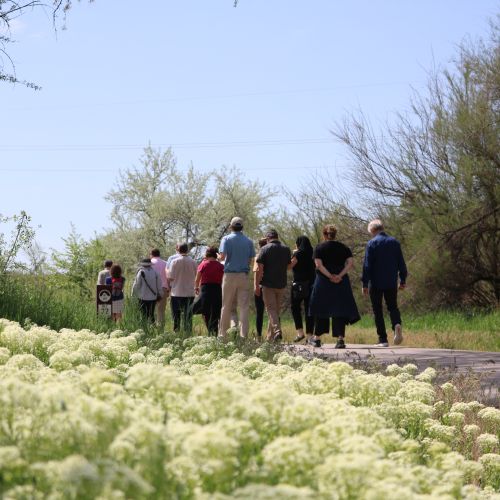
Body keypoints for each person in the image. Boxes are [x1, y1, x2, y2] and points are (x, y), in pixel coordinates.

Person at [308, 225, 360, 348]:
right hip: (341, 282)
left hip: (323, 281)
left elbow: (318, 265)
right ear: (335, 234)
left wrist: (330, 276)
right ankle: (340, 340)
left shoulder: (319, 248)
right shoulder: (344, 248)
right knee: (339, 309)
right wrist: (339, 275)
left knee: (322, 308)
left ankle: (317, 339)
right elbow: (350, 263)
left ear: (325, 235)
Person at [362, 219, 407, 347]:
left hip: (375, 282)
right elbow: (401, 263)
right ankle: (396, 324)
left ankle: (383, 339)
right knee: (393, 306)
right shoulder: (394, 242)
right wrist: (402, 280)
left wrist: (365, 283)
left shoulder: (371, 243)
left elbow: (367, 265)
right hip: (391, 281)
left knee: (377, 310)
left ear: (372, 230)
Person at [218, 217, 256, 338]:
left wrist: (218, 256)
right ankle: (243, 336)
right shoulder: (249, 241)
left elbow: (222, 257)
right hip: (243, 275)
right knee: (244, 307)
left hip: (229, 275)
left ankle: (223, 335)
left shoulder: (226, 239)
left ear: (231, 226)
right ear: (242, 227)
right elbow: (251, 260)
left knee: (226, 305)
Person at [254, 229, 292, 342]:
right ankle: (270, 339)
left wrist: (256, 285)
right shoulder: (286, 249)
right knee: (276, 310)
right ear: (277, 237)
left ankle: (277, 331)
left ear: (268, 238)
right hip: (281, 284)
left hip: (268, 284)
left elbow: (259, 270)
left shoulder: (264, 249)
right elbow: (288, 266)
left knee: (270, 309)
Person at [290, 235, 316, 343]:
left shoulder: (298, 254)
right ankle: (310, 336)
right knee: (309, 310)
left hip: (298, 285)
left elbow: (290, 266)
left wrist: (293, 253)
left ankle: (300, 332)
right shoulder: (313, 253)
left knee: (295, 308)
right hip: (311, 284)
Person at [194, 246, 224, 335]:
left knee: (206, 312)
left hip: (205, 290)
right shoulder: (221, 266)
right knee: (215, 313)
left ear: (207, 254)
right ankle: (215, 333)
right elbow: (223, 279)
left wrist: (196, 288)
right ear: (216, 255)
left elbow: (197, 279)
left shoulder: (203, 264)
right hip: (217, 290)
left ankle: (210, 332)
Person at [169, 242, 197, 333]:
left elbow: (171, 277)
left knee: (176, 315)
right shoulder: (193, 262)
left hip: (177, 292)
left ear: (178, 250)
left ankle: (176, 332)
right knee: (188, 316)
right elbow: (196, 275)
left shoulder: (174, 261)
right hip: (189, 292)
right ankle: (188, 333)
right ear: (187, 250)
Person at [253, 237, 269, 339]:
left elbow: (256, 272)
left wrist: (255, 286)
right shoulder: (271, 256)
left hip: (260, 285)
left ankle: (258, 335)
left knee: (260, 312)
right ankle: (271, 335)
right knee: (272, 311)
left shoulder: (258, 256)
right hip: (270, 285)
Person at [150, 248, 169, 326]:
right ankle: (161, 330)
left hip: (151, 289)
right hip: (163, 288)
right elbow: (168, 277)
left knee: (151, 310)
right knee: (161, 311)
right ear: (159, 254)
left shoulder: (150, 264)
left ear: (151, 254)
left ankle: (151, 328)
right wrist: (168, 289)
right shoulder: (166, 263)